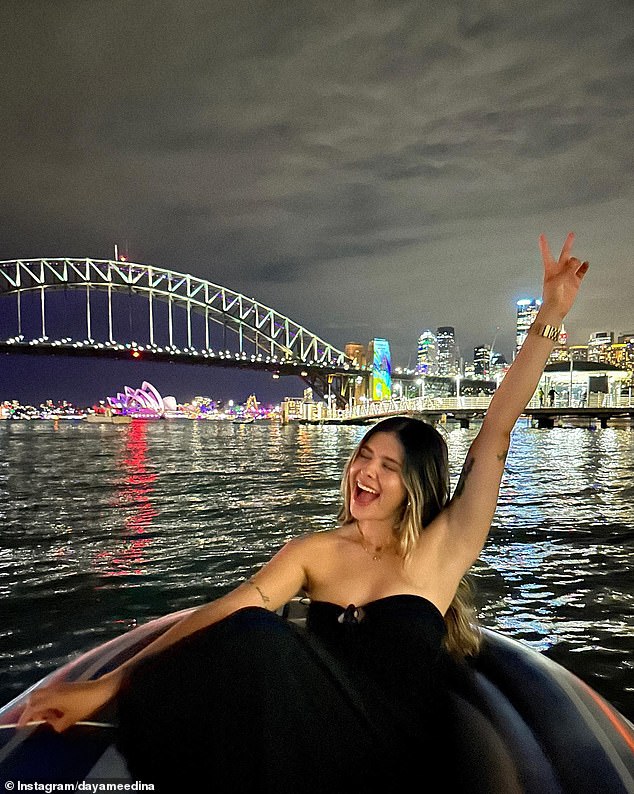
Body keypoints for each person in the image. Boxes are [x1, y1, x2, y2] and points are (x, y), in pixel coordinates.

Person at [18, 233, 589, 791]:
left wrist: (549, 318)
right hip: (309, 737)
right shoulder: (314, 552)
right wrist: (109, 685)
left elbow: (496, 430)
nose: (366, 471)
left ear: (416, 484)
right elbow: (226, 613)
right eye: (363, 456)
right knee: (249, 629)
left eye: (388, 466)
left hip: (399, 749)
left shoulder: (442, 549)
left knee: (258, 638)